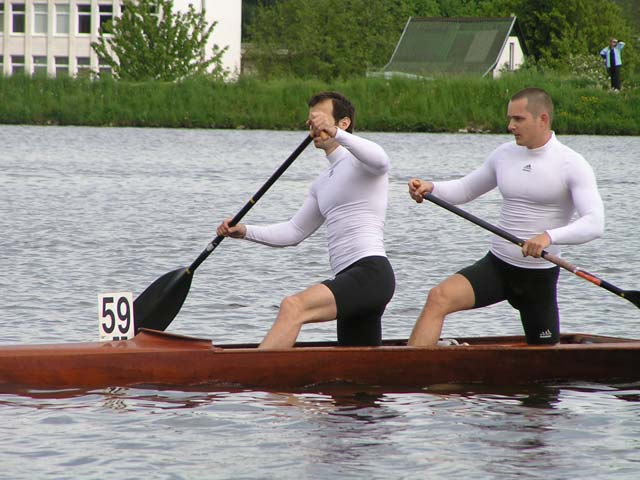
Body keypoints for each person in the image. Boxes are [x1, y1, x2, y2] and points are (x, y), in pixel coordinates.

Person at [407, 87, 605, 347]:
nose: (510, 126)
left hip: (538, 278)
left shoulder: (571, 164)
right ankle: (412, 373)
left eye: (518, 119)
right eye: (510, 118)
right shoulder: (504, 155)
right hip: (497, 266)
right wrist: (431, 187)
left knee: (544, 364)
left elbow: (594, 222)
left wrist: (548, 237)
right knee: (438, 297)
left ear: (542, 119)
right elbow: (467, 188)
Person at [217, 91, 395, 349]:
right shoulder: (321, 184)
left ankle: (259, 382)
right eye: (312, 120)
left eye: (321, 119)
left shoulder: (362, 164)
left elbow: (382, 160)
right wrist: (244, 231)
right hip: (350, 278)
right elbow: (294, 231)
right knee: (355, 375)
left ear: (343, 123)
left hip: (371, 274)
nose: (314, 125)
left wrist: (335, 133)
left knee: (294, 306)